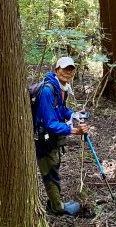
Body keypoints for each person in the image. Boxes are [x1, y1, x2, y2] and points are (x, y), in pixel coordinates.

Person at [34, 56, 88, 216]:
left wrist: (75, 114)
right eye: (64, 69)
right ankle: (57, 207)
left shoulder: (61, 89)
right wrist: (73, 131)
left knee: (54, 169)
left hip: (52, 138)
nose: (68, 72)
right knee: (51, 173)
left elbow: (62, 110)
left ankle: (54, 202)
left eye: (71, 69)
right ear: (56, 70)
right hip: (44, 140)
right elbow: (50, 122)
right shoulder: (47, 91)